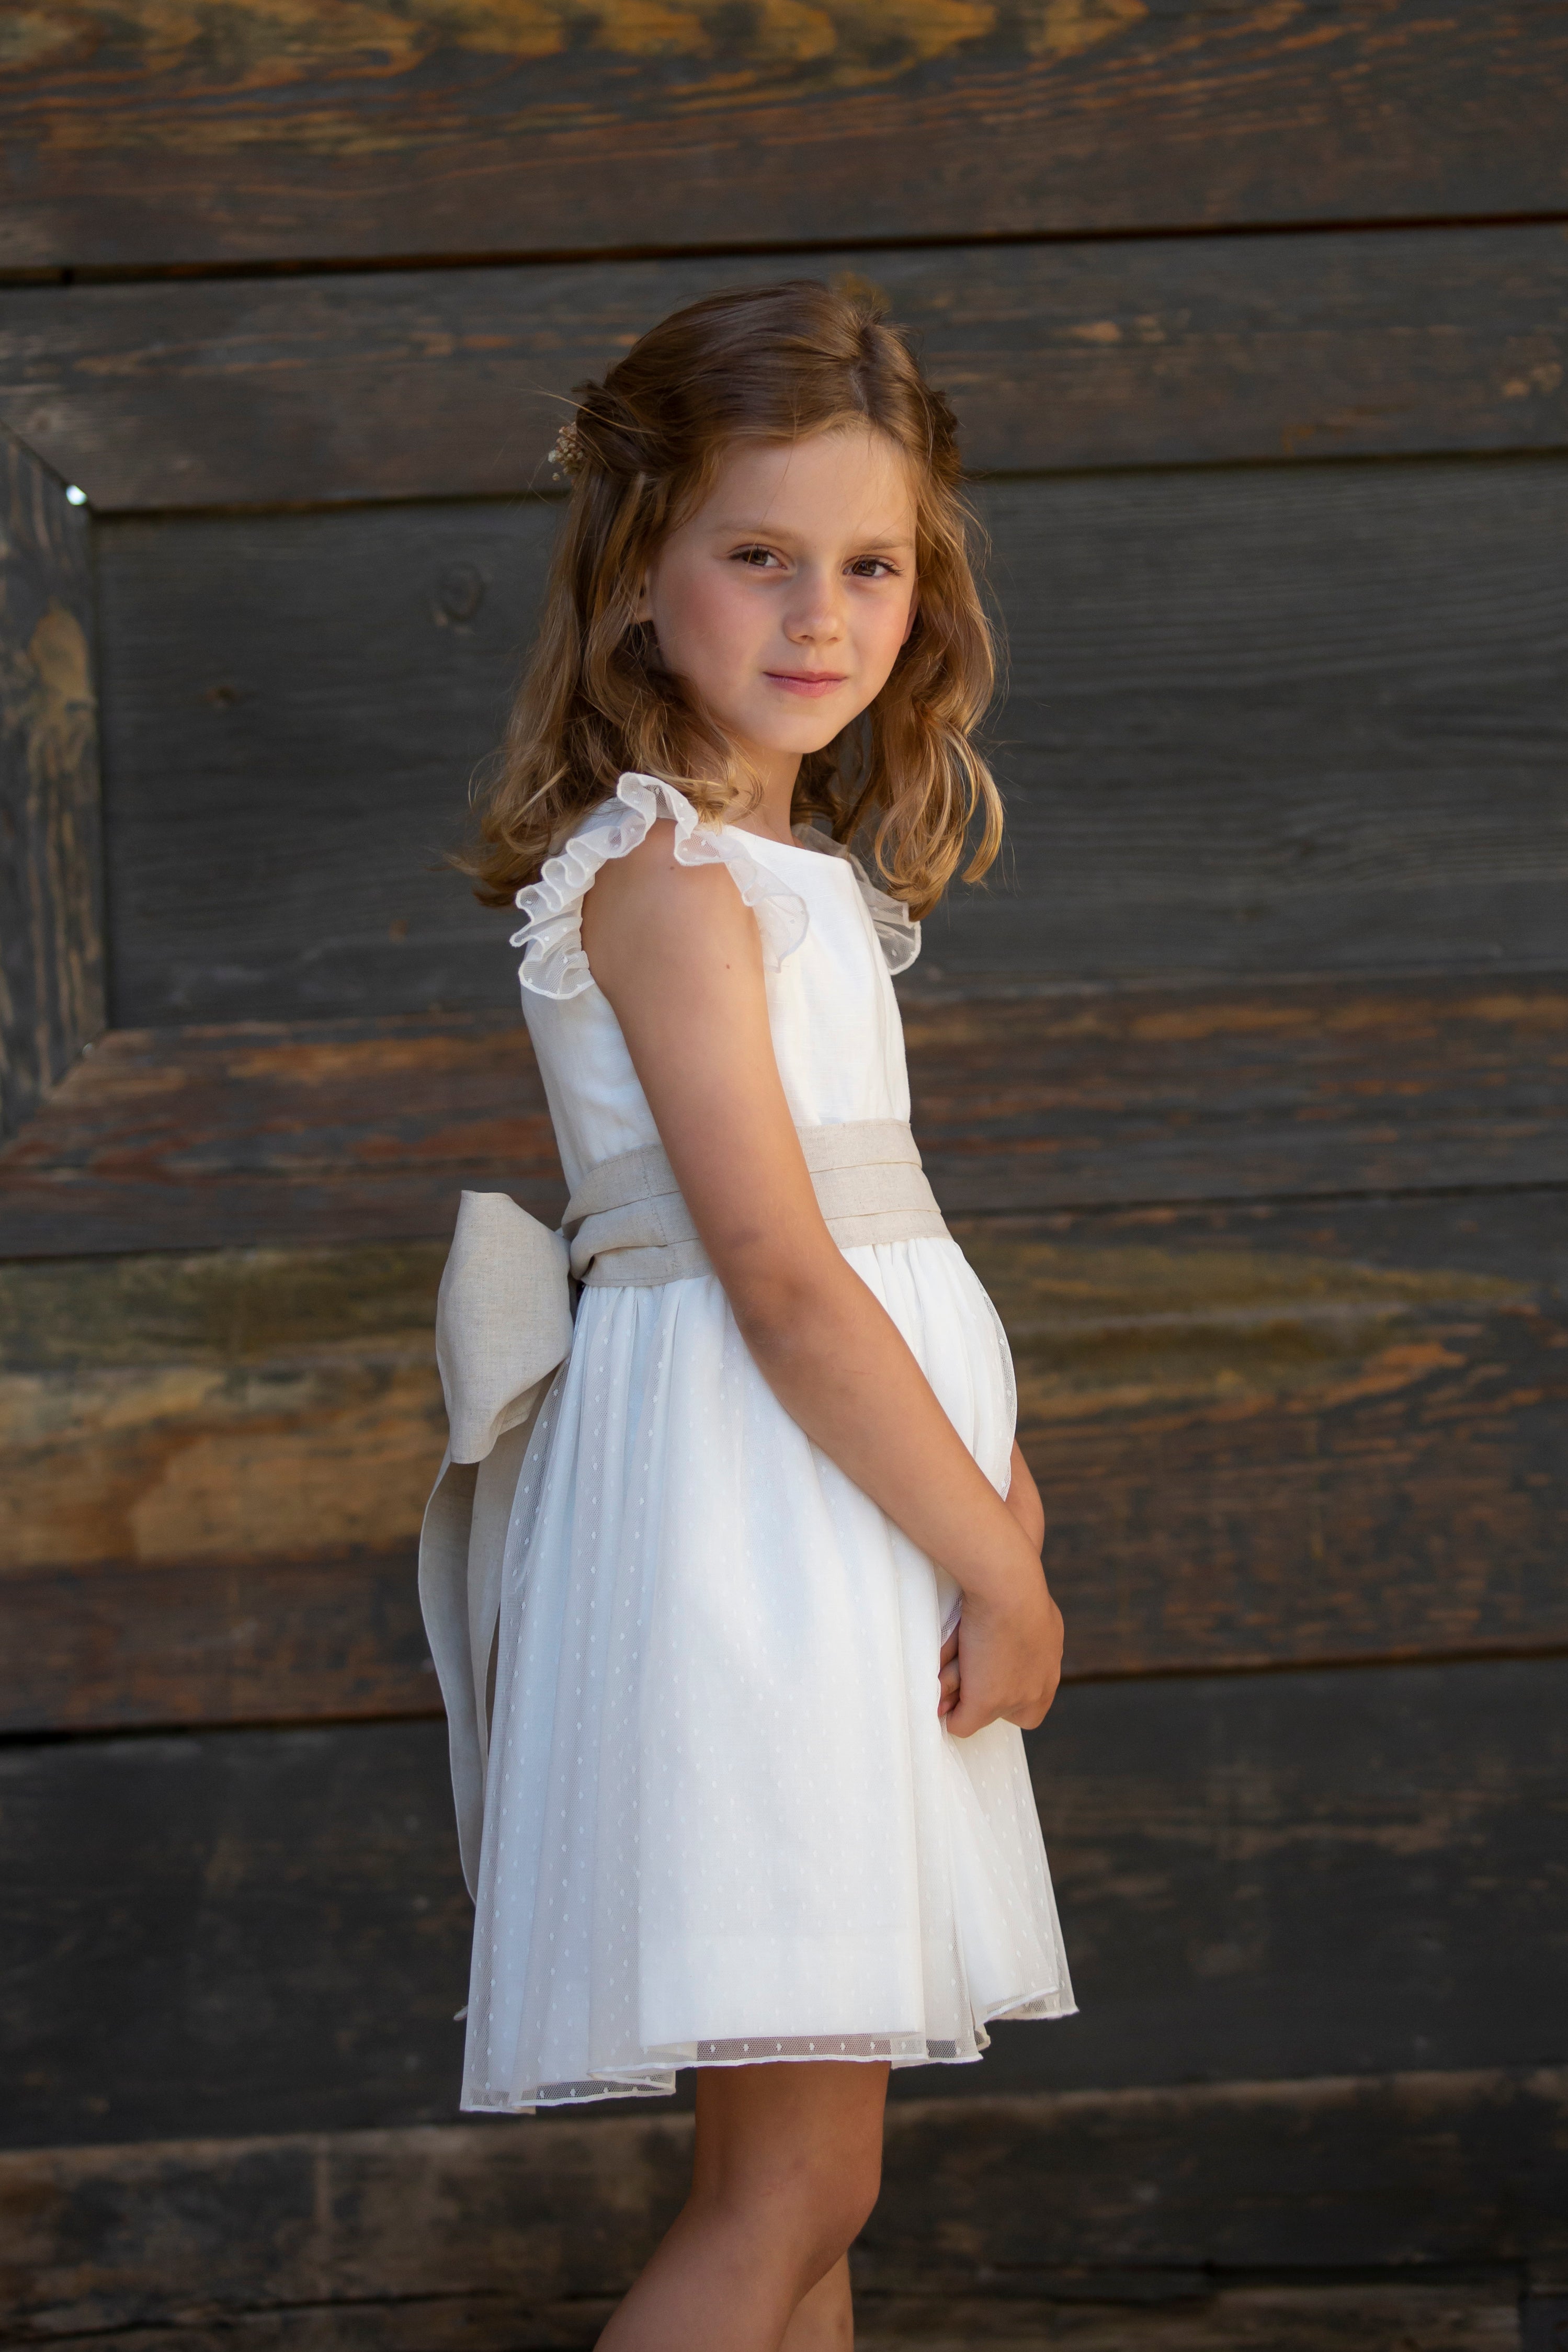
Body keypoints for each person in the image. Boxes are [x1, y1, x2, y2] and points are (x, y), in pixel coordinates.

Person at [435, 280, 1075, 2351]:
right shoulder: (667, 886)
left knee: (817, 2185)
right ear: (640, 578)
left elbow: (878, 1242)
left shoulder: (795, 882)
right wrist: (1004, 1565)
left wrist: (998, 1490)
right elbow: (784, 1282)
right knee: (795, 2180)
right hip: (756, 1539)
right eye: (759, 557)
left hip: (851, 1523)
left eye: (869, 565)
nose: (823, 614)